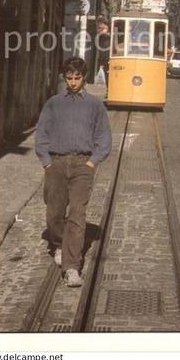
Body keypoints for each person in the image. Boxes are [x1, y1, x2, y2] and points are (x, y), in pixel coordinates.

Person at [35, 57, 112, 287]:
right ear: (64, 77)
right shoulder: (53, 103)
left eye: (77, 78)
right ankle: (59, 243)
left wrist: (92, 162)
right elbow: (41, 135)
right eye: (69, 78)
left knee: (77, 214)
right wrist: (47, 162)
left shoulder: (95, 105)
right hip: (56, 164)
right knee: (54, 213)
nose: (73, 82)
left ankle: (72, 268)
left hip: (82, 165)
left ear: (84, 77)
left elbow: (104, 139)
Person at [96, 18, 111, 88]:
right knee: (106, 74)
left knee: (108, 74)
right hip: (105, 59)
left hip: (107, 59)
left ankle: (109, 89)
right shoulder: (102, 37)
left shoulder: (107, 37)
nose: (100, 30)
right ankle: (108, 89)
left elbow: (104, 50)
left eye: (102, 28)